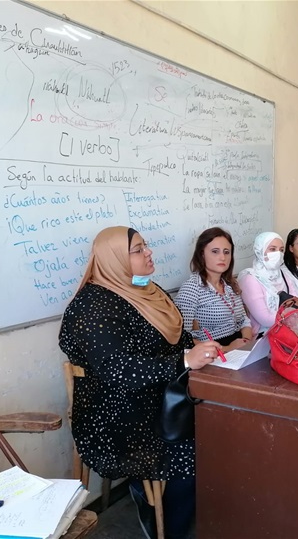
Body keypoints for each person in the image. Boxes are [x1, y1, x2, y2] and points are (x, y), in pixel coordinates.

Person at [59, 226, 221, 539]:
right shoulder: (93, 305)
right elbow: (118, 369)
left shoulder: (148, 291)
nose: (149, 252)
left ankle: (181, 512)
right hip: (114, 414)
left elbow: (177, 341)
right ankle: (166, 526)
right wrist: (184, 361)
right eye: (138, 249)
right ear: (114, 259)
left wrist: (198, 349)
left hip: (161, 398)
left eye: (146, 246)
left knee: (221, 429)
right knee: (196, 452)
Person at [175, 227, 252, 351]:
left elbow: (244, 320)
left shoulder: (230, 285)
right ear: (202, 254)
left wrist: (246, 342)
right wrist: (227, 348)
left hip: (238, 349)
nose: (222, 257)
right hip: (213, 353)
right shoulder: (191, 288)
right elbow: (182, 338)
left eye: (226, 252)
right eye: (215, 251)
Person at [238, 231, 298, 335]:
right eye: (272, 249)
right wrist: (292, 314)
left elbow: (297, 302)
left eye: (281, 250)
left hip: (291, 327)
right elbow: (265, 320)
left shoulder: (283, 274)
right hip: (266, 334)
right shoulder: (250, 279)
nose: (278, 254)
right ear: (260, 251)